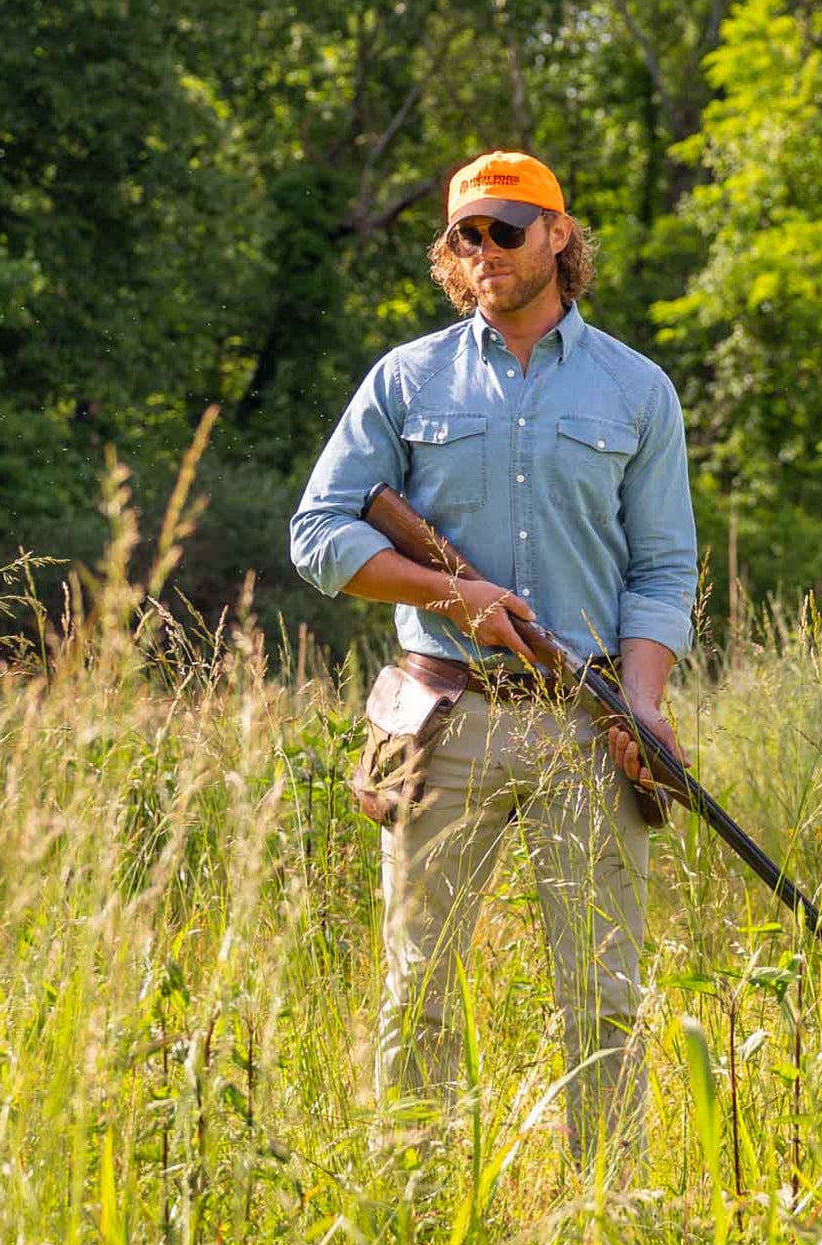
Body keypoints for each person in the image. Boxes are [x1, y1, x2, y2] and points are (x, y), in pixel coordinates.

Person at [289, 149, 699, 1158]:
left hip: (587, 721)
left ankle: (609, 1212)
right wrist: (450, 596)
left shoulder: (636, 389)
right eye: (463, 234)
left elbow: (661, 569)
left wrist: (643, 704)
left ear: (558, 235)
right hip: (443, 716)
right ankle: (416, 1210)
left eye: (505, 230)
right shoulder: (405, 378)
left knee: (603, 994)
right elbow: (318, 534)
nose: (484, 249)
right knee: (417, 985)